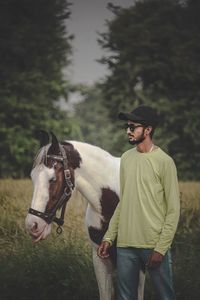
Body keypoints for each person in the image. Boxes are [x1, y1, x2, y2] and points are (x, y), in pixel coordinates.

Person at [97, 105, 180, 300]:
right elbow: (124, 201)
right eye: (127, 126)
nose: (128, 130)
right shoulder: (126, 158)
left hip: (153, 244)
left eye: (133, 127)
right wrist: (109, 237)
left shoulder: (165, 162)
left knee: (165, 296)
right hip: (125, 246)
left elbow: (173, 210)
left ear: (148, 129)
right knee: (126, 298)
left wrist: (161, 248)